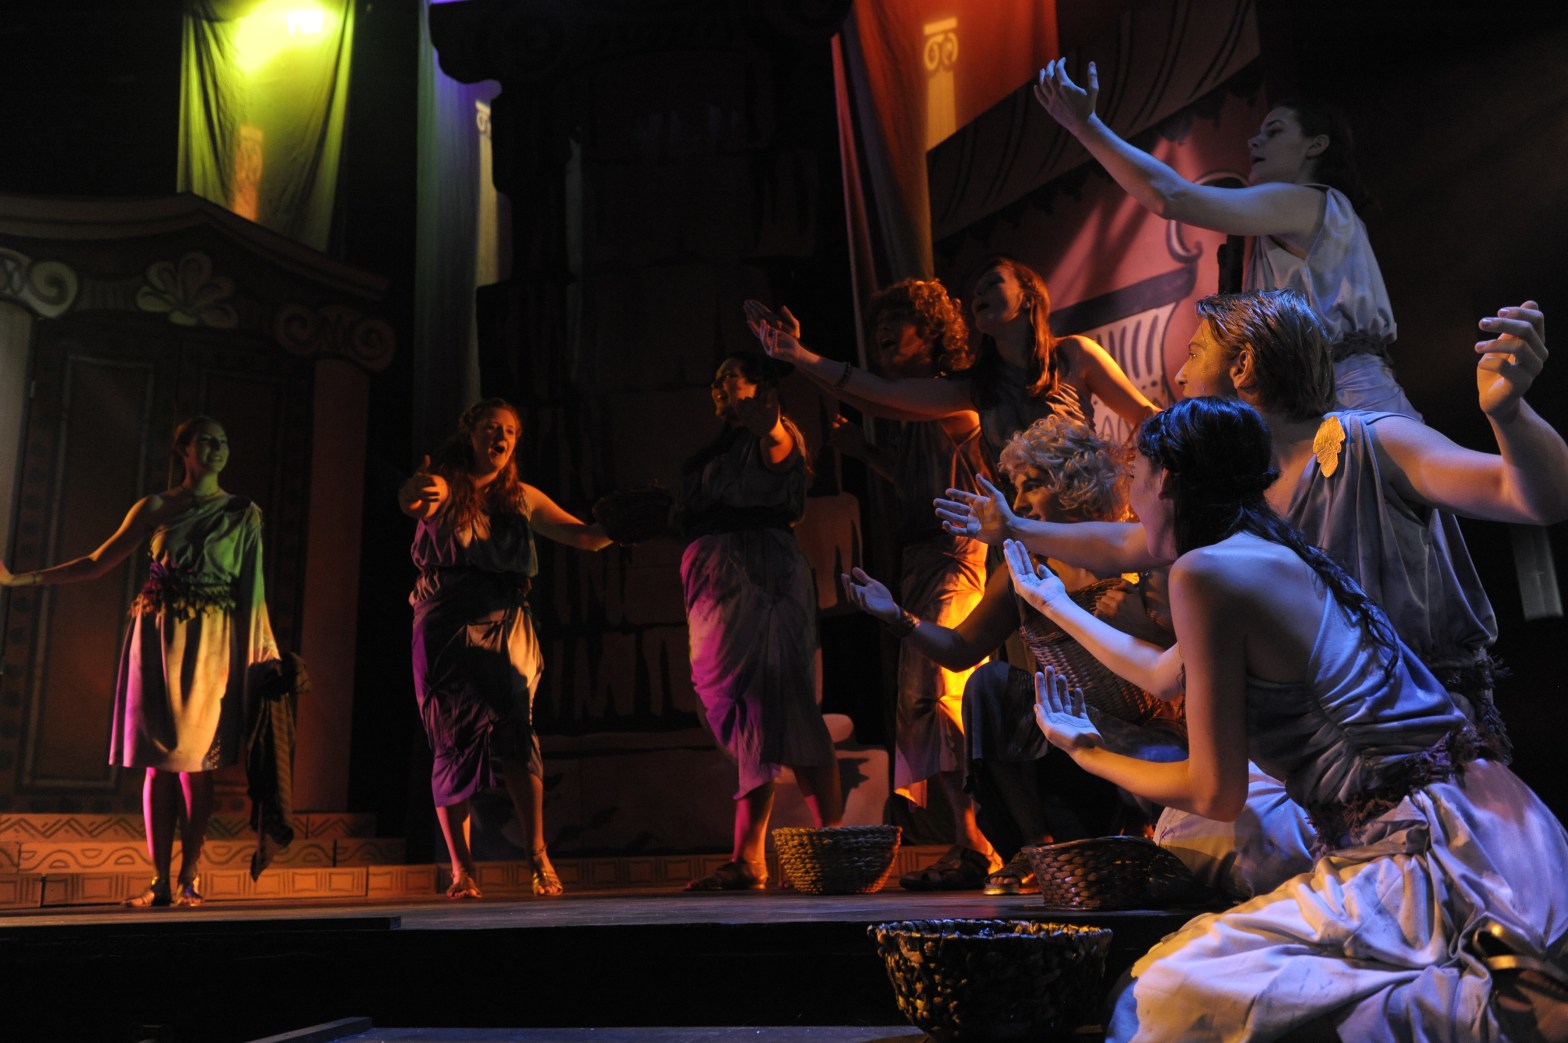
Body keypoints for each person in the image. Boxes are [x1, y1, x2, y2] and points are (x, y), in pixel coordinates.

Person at [938, 289, 1568, 896]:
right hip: (1324, 759)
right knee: (1192, 833)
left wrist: (1508, 413)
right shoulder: (1240, 509)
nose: (1179, 376)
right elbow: (1141, 588)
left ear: (1242, 367)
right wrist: (1019, 533)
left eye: (1194, 353)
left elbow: (1531, 497)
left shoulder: (1370, 442)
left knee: (1224, 844)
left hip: (1412, 751)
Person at [1005, 396, 1568, 1039]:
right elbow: (1165, 674)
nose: (1132, 502)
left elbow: (1214, 792)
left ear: (1165, 481)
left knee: (1158, 999)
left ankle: (1507, 1004)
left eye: (1134, 478)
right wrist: (1052, 602)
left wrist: (1088, 752)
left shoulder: (1203, 572)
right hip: (1494, 827)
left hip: (1428, 859)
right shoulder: (1265, 548)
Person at [841, 414, 1183, 894]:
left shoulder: (1133, 553)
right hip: (1067, 746)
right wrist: (897, 616)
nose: (1017, 503)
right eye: (1015, 488)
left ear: (1074, 485)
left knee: (1174, 786)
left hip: (1140, 741)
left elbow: (1186, 665)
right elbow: (961, 650)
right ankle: (1036, 848)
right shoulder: (1024, 565)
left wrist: (1142, 626)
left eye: (1032, 485)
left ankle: (1138, 833)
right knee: (990, 684)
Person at [1035, 59, 1419, 417]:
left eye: (1274, 131)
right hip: (1320, 405)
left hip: (1352, 405)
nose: (1254, 142)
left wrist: (1087, 126)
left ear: (1315, 145)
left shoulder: (1309, 201)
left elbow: (1170, 196)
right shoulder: (1306, 215)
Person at [0, 416, 279, 908]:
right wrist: (21, 579)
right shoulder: (155, 507)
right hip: (156, 638)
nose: (217, 448)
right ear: (184, 450)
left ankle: (190, 875)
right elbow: (96, 562)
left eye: (223, 442)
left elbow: (252, 592)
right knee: (156, 765)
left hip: (210, 644)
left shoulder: (242, 513)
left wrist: (263, 657)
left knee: (196, 764)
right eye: (206, 441)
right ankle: (159, 880)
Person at [399, 398, 612, 899]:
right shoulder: (444, 485)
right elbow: (418, 500)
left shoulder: (522, 497)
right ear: (470, 432)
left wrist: (618, 530)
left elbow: (585, 538)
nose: (500, 438)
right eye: (491, 428)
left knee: (517, 731)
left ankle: (538, 856)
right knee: (450, 740)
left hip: (506, 618)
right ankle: (462, 870)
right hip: (445, 622)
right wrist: (413, 493)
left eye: (510, 432)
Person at [824, 278, 998, 890]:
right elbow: (916, 477)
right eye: (881, 321)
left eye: (898, 319)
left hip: (955, 556)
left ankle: (980, 845)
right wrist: (865, 453)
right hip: (922, 557)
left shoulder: (948, 397)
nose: (883, 330)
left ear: (931, 333)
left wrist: (802, 360)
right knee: (923, 701)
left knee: (943, 695)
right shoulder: (915, 414)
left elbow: (974, 472)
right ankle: (973, 842)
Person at [747, 255, 1157, 476]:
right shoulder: (976, 387)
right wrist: (798, 355)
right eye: (975, 291)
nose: (979, 293)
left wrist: (1141, 479)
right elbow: (880, 396)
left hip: (1084, 522)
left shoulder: (1074, 355)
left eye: (993, 283)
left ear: (1028, 297)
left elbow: (1147, 417)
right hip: (1027, 536)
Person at [679, 352, 843, 890]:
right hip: (717, 584)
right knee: (740, 707)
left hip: (760, 577)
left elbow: (778, 446)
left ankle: (830, 843)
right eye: (716, 378)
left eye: (732, 376)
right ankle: (750, 858)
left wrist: (769, 421)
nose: (720, 385)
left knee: (781, 700)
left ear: (763, 387)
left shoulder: (774, 433)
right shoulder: (723, 446)